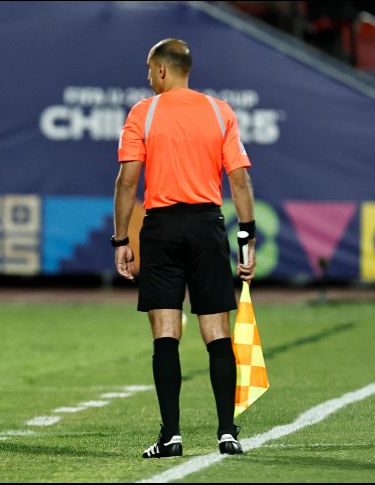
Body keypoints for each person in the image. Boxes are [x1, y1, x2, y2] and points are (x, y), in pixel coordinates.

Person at [112, 38, 256, 458]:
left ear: (160, 71)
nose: (147, 76)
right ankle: (227, 432)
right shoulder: (219, 111)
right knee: (217, 332)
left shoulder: (144, 112)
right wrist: (246, 241)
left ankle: (171, 435)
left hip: (162, 229)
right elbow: (241, 181)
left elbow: (126, 181)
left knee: (165, 332)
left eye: (147, 69)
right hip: (208, 226)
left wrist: (122, 239)